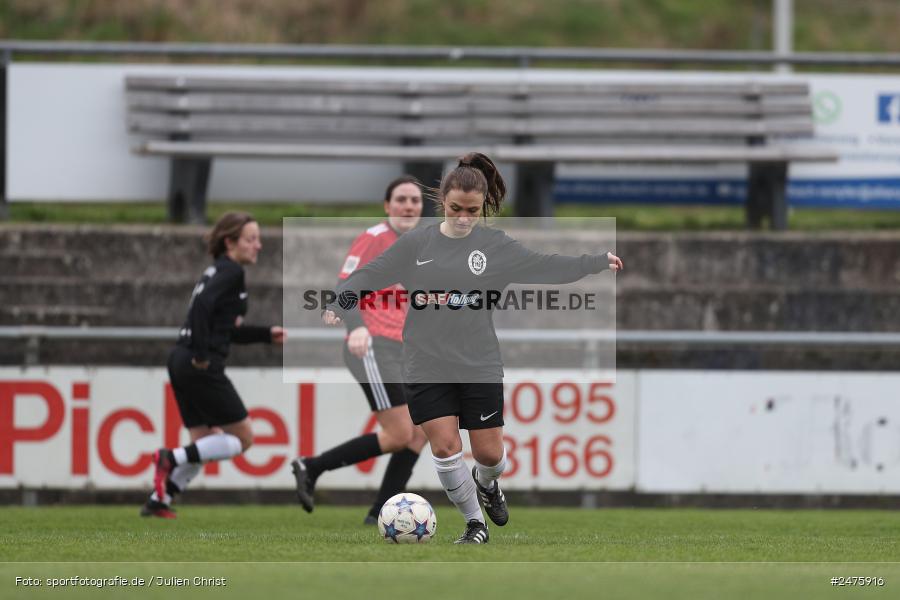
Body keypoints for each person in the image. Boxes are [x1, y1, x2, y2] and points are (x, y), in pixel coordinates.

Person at [322, 153, 623, 543]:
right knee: (445, 449)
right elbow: (371, 274)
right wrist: (340, 301)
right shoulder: (417, 243)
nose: (464, 217)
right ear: (443, 201)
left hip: (477, 361)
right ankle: (474, 523)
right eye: (456, 209)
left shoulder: (495, 246)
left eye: (472, 211)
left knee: (489, 456)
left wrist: (594, 261)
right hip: (425, 361)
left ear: (483, 207)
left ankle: (489, 484)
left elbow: (544, 265)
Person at [291, 175, 428, 524]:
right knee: (399, 434)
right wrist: (356, 328)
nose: (409, 206)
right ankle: (312, 466)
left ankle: (377, 513)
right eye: (401, 199)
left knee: (422, 430)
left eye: (415, 200)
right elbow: (343, 289)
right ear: (387, 206)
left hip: (404, 349)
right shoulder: (374, 238)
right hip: (373, 347)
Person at [141, 212, 286, 519]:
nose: (258, 245)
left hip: (181, 359)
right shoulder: (231, 272)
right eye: (251, 239)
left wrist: (264, 335)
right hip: (198, 363)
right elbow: (203, 308)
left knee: (205, 442)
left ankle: (159, 500)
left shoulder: (219, 270)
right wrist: (203, 355)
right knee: (243, 437)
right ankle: (170, 457)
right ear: (230, 242)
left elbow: (223, 326)